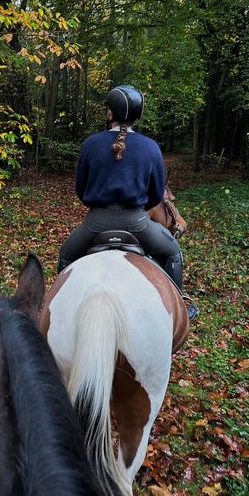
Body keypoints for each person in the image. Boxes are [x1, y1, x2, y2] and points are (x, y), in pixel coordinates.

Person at [58, 84, 199, 321]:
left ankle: (61, 310)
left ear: (110, 113)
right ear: (136, 117)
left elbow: (81, 190)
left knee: (65, 255)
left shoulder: (91, 144)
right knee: (173, 253)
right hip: (138, 223)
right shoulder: (151, 147)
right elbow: (156, 195)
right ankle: (181, 308)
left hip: (96, 222)